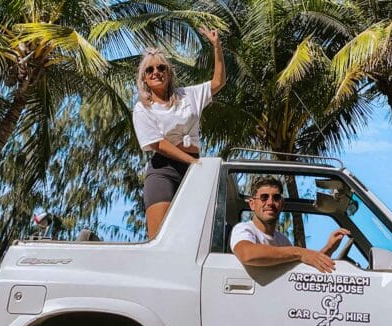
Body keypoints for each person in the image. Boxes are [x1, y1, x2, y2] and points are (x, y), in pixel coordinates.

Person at [133, 28, 226, 239]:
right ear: (144, 78)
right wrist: (193, 162)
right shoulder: (142, 108)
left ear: (168, 72)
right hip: (164, 170)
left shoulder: (188, 95)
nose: (156, 72)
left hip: (194, 167)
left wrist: (216, 46)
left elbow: (218, 82)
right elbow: (158, 144)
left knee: (194, 237)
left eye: (161, 67)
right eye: (149, 70)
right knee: (158, 238)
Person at [231, 176, 350, 273]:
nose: (270, 202)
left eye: (276, 198)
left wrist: (329, 248)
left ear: (281, 204)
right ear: (252, 204)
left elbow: (303, 269)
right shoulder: (244, 229)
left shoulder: (282, 240)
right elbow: (247, 254)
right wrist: (299, 252)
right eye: (264, 197)